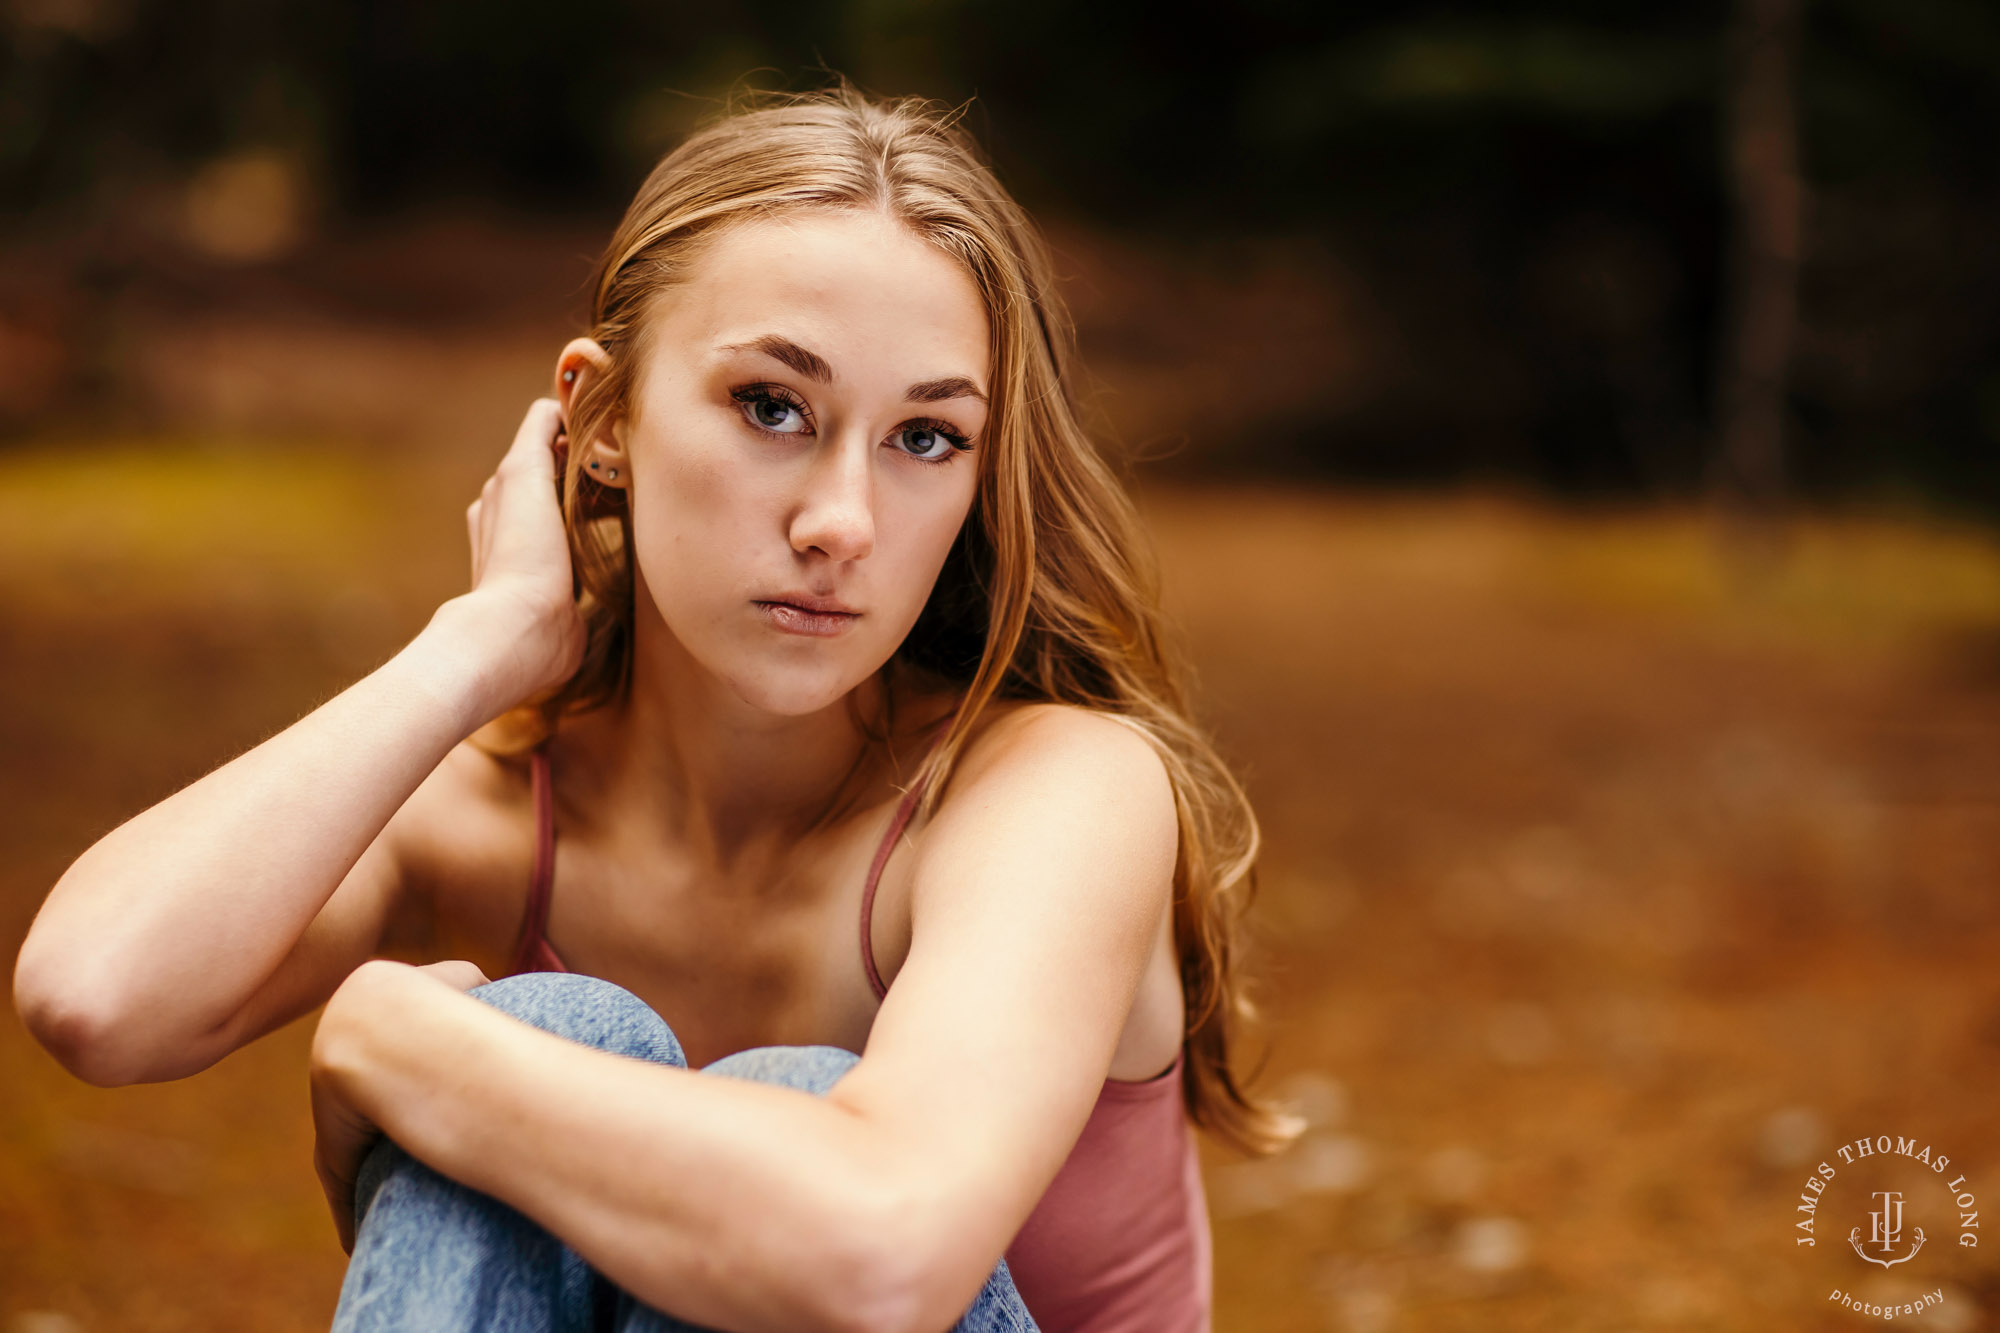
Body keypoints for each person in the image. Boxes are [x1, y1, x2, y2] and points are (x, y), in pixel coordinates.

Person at [13, 79, 1301, 1333]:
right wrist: (474, 647)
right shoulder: (495, 814)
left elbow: (879, 1257)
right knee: (561, 1033)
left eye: (925, 438)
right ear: (603, 417)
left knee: (788, 1104)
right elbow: (97, 994)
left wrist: (399, 1044)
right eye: (772, 407)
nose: (841, 524)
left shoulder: (1055, 790)